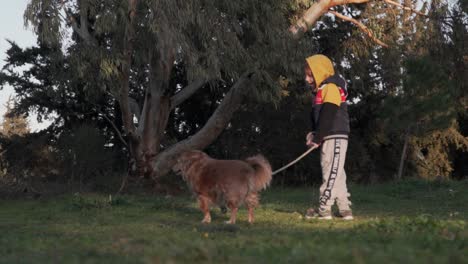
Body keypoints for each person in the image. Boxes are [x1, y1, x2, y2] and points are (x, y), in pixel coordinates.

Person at [303, 54, 353, 220]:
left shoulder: (331, 87)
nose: (307, 79)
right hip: (328, 136)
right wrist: (313, 133)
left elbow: (329, 113)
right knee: (337, 172)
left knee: (330, 172)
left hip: (335, 135)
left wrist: (319, 137)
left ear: (320, 73)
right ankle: (345, 210)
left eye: (310, 75)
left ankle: (324, 209)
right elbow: (318, 117)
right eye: (306, 75)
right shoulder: (320, 91)